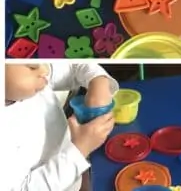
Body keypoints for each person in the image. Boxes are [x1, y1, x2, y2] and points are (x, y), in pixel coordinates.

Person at [1, 63, 119, 191]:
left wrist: (98, 82)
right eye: (32, 67)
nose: (46, 70)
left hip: (76, 171)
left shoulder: (34, 78)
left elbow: (74, 66)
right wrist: (81, 149)